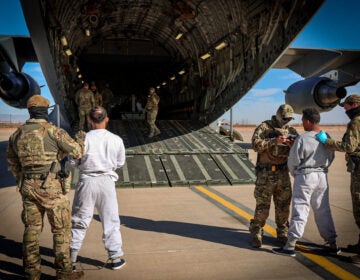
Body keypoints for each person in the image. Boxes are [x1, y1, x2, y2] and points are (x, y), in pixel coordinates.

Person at [7, 95, 85, 280]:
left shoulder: (16, 134)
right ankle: (64, 272)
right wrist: (80, 139)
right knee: (61, 229)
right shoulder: (54, 131)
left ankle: (32, 272)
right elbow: (77, 152)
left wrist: (24, 180)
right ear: (45, 111)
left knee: (32, 229)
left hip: (28, 186)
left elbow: (13, 162)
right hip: (51, 188)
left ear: (30, 111)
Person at [272, 108, 340, 257]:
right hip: (322, 176)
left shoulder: (302, 139)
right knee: (323, 210)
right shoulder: (326, 137)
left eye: (303, 120)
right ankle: (332, 243)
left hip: (305, 176)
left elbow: (293, 161)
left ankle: (290, 245)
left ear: (308, 121)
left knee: (300, 210)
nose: (302, 123)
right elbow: (331, 156)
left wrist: (295, 173)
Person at [70, 106, 126, 271]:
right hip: (107, 182)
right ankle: (115, 258)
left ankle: (71, 259)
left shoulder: (83, 139)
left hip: (86, 181)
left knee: (79, 221)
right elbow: (120, 163)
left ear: (89, 120)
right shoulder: (116, 139)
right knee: (111, 220)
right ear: (107, 119)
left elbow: (73, 162)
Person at [316, 94, 360, 264]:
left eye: (346, 107)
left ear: (354, 104)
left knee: (358, 208)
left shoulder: (356, 121)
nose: (345, 110)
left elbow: (349, 146)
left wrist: (327, 141)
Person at [249, 104, 298, 248]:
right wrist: (273, 142)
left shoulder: (291, 130)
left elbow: (300, 149)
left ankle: (282, 232)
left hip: (283, 173)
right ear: (278, 115)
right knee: (262, 205)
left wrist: (292, 144)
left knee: (283, 205)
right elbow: (255, 144)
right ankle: (257, 232)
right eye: (284, 118)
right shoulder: (264, 127)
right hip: (266, 173)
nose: (287, 121)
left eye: (289, 119)